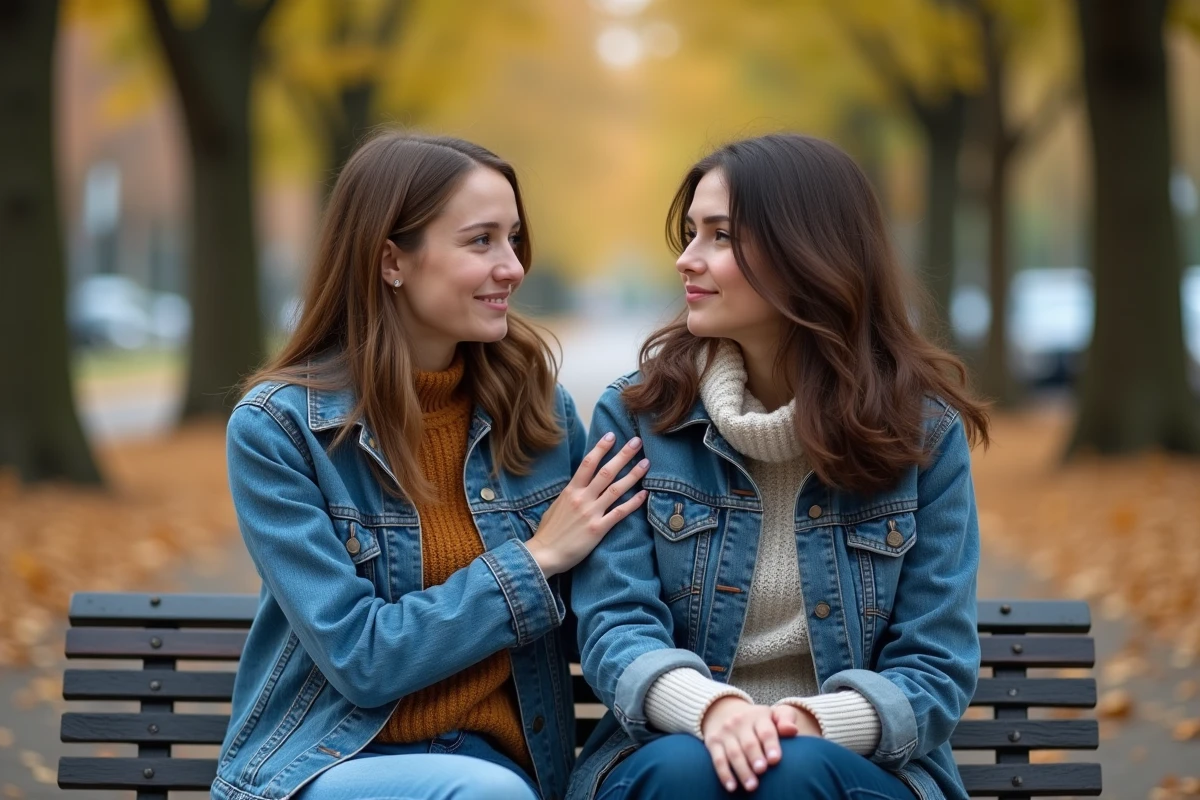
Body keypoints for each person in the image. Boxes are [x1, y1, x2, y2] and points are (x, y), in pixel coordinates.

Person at [212, 132, 648, 800]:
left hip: (505, 768)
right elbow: (361, 658)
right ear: (392, 260)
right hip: (332, 762)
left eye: (513, 239)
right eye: (481, 241)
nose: (512, 267)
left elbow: (609, 611)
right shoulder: (280, 429)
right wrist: (532, 562)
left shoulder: (540, 417)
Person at [569, 133, 990, 800]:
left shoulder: (922, 433)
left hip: (859, 767)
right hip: (672, 752)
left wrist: (801, 723)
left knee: (792, 775)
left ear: (807, 255)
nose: (686, 259)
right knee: (688, 772)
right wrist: (716, 712)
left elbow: (933, 666)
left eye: (720, 237)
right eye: (689, 233)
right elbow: (617, 625)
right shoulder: (639, 417)